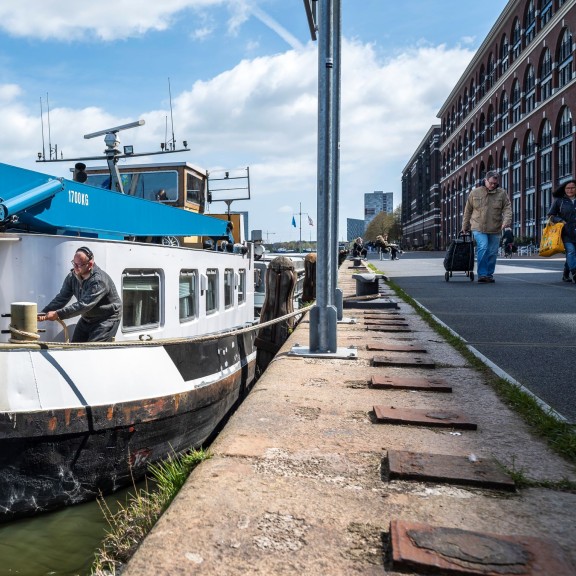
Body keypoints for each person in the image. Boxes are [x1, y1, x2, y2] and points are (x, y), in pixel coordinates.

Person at [38, 246, 122, 342]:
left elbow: (84, 305)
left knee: (93, 351)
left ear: (90, 264)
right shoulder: (72, 277)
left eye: (79, 265)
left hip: (106, 318)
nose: (75, 267)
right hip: (87, 317)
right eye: (74, 263)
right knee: (75, 346)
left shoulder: (99, 281)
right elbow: (61, 298)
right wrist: (44, 313)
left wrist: (58, 314)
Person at [461, 170, 512, 283]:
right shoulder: (475, 193)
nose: (493, 185)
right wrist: (465, 226)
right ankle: (482, 274)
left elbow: (507, 209)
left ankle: (489, 274)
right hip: (478, 227)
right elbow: (468, 210)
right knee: (483, 247)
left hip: (495, 227)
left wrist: (506, 221)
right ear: (485, 180)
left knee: (493, 252)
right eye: (491, 183)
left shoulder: (502, 193)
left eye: (495, 183)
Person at [548, 179, 576, 283]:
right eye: (568, 188)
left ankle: (565, 274)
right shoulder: (559, 201)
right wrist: (560, 220)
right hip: (566, 232)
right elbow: (551, 215)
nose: (570, 190)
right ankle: (574, 273)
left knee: (572, 254)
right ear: (564, 189)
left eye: (573, 188)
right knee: (571, 251)